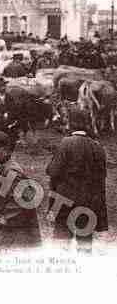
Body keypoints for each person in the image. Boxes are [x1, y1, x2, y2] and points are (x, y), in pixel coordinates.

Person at [46, 108, 108, 254]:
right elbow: (101, 181)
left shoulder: (66, 143)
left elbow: (53, 171)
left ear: (72, 123)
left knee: (61, 240)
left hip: (65, 201)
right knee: (85, 242)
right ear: (86, 124)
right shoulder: (98, 147)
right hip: (89, 203)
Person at [0, 130, 42, 249]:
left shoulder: (12, 172)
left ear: (6, 150)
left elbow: (23, 199)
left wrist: (5, 219)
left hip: (10, 229)